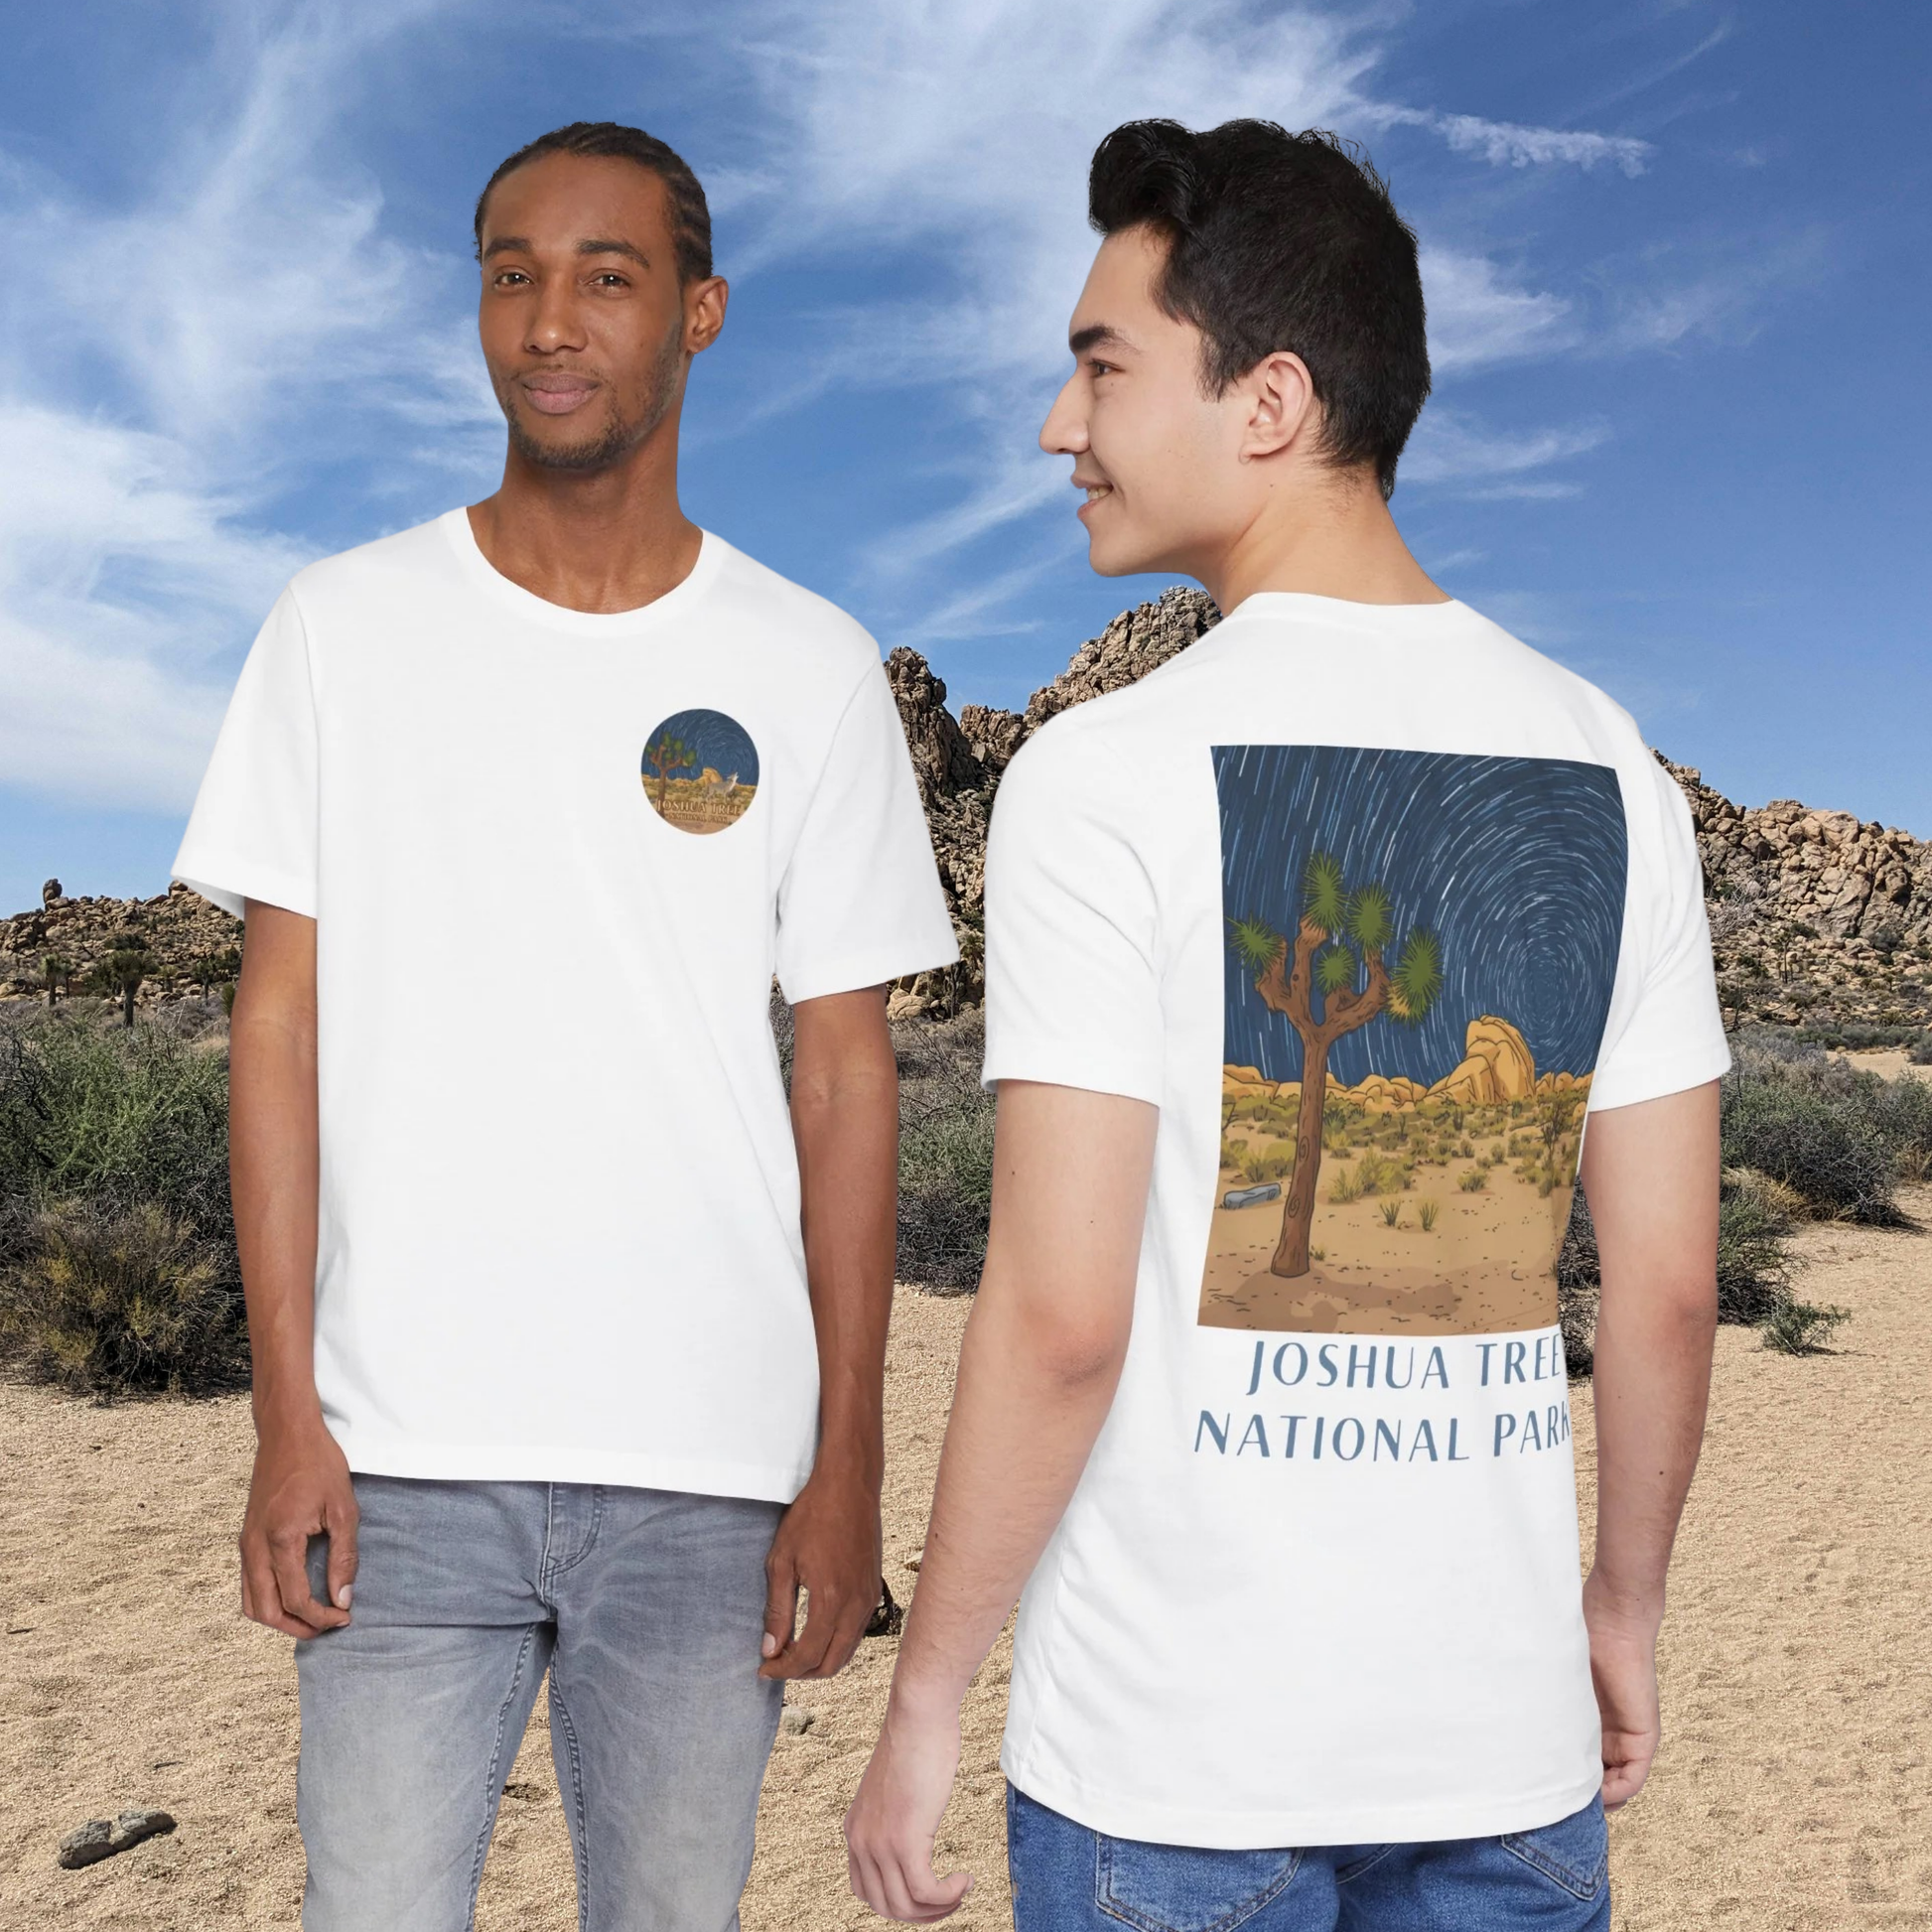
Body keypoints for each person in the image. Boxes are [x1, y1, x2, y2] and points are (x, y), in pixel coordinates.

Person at [845, 119, 1726, 1930]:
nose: (1054, 426)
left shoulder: (1102, 776)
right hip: (1507, 1761)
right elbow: (1661, 1287)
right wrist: (1618, 1610)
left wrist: (928, 1688)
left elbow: (1062, 1312)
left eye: (1098, 366)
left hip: (1171, 1777)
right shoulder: (1607, 767)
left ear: (1265, 399)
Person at [174, 121, 956, 1932]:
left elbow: (844, 1078)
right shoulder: (338, 629)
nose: (548, 318)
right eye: (510, 270)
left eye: (605, 275)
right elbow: (272, 1032)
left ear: (699, 312)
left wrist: (846, 1464)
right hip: (398, 1463)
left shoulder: (807, 664)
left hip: (711, 1478)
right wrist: (287, 1412)